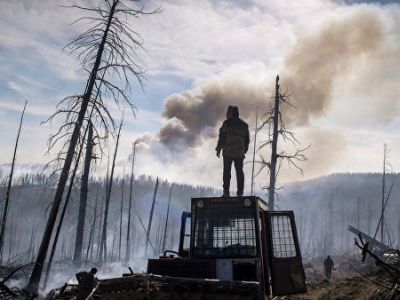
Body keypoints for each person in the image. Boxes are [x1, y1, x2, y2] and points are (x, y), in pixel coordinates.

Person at [216, 105, 250, 197]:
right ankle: (240, 193)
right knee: (239, 172)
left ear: (230, 113)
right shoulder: (244, 125)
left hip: (228, 152)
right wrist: (244, 150)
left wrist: (219, 148)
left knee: (227, 172)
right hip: (239, 152)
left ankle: (226, 192)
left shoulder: (227, 123)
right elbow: (247, 140)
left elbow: (222, 137)